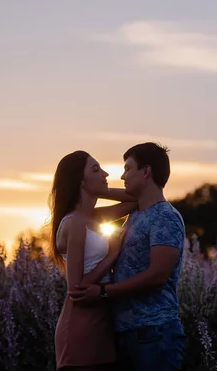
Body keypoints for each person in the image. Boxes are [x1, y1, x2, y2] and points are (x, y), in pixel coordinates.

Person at [69, 142, 187, 371]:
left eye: (128, 168)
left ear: (146, 171)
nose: (122, 176)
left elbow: (157, 276)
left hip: (154, 332)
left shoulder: (165, 217)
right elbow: (83, 216)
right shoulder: (136, 212)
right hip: (127, 333)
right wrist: (98, 190)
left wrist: (103, 292)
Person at [46, 150, 138, 371]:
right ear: (79, 180)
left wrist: (101, 189)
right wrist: (112, 255)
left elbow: (136, 198)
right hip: (80, 328)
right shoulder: (75, 223)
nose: (105, 173)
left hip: (102, 324)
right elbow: (76, 289)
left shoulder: (92, 217)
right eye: (96, 170)